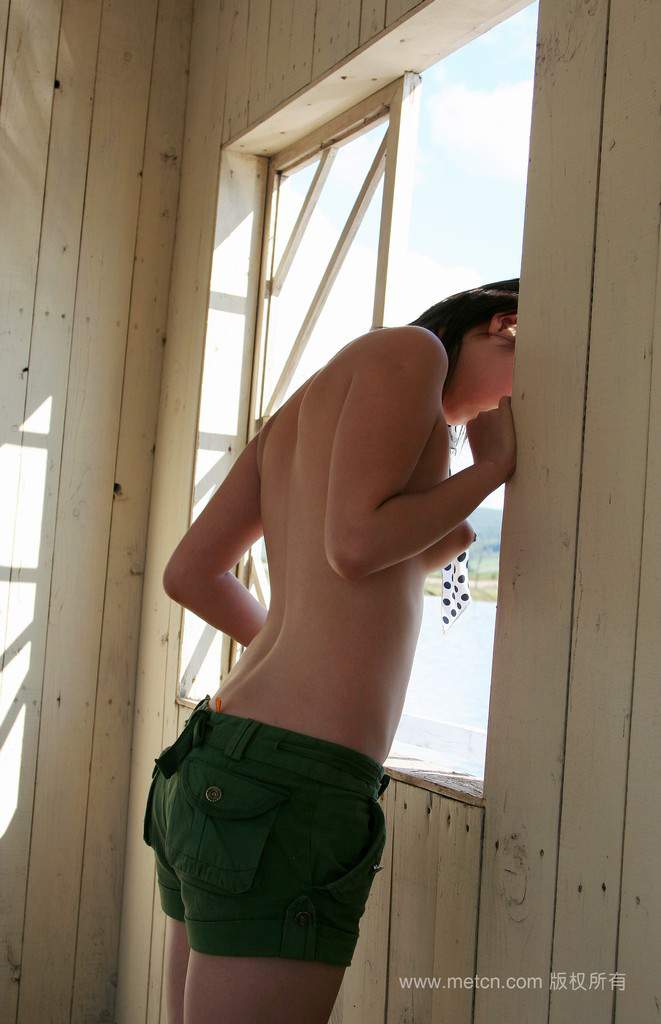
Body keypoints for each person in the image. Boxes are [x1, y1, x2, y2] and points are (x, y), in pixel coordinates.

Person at [146, 278, 519, 1022]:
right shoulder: (413, 352)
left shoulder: (315, 401)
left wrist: (307, 651)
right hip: (287, 780)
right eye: (527, 380)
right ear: (505, 327)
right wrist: (489, 471)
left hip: (223, 756)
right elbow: (354, 547)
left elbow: (192, 574)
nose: (516, 407)